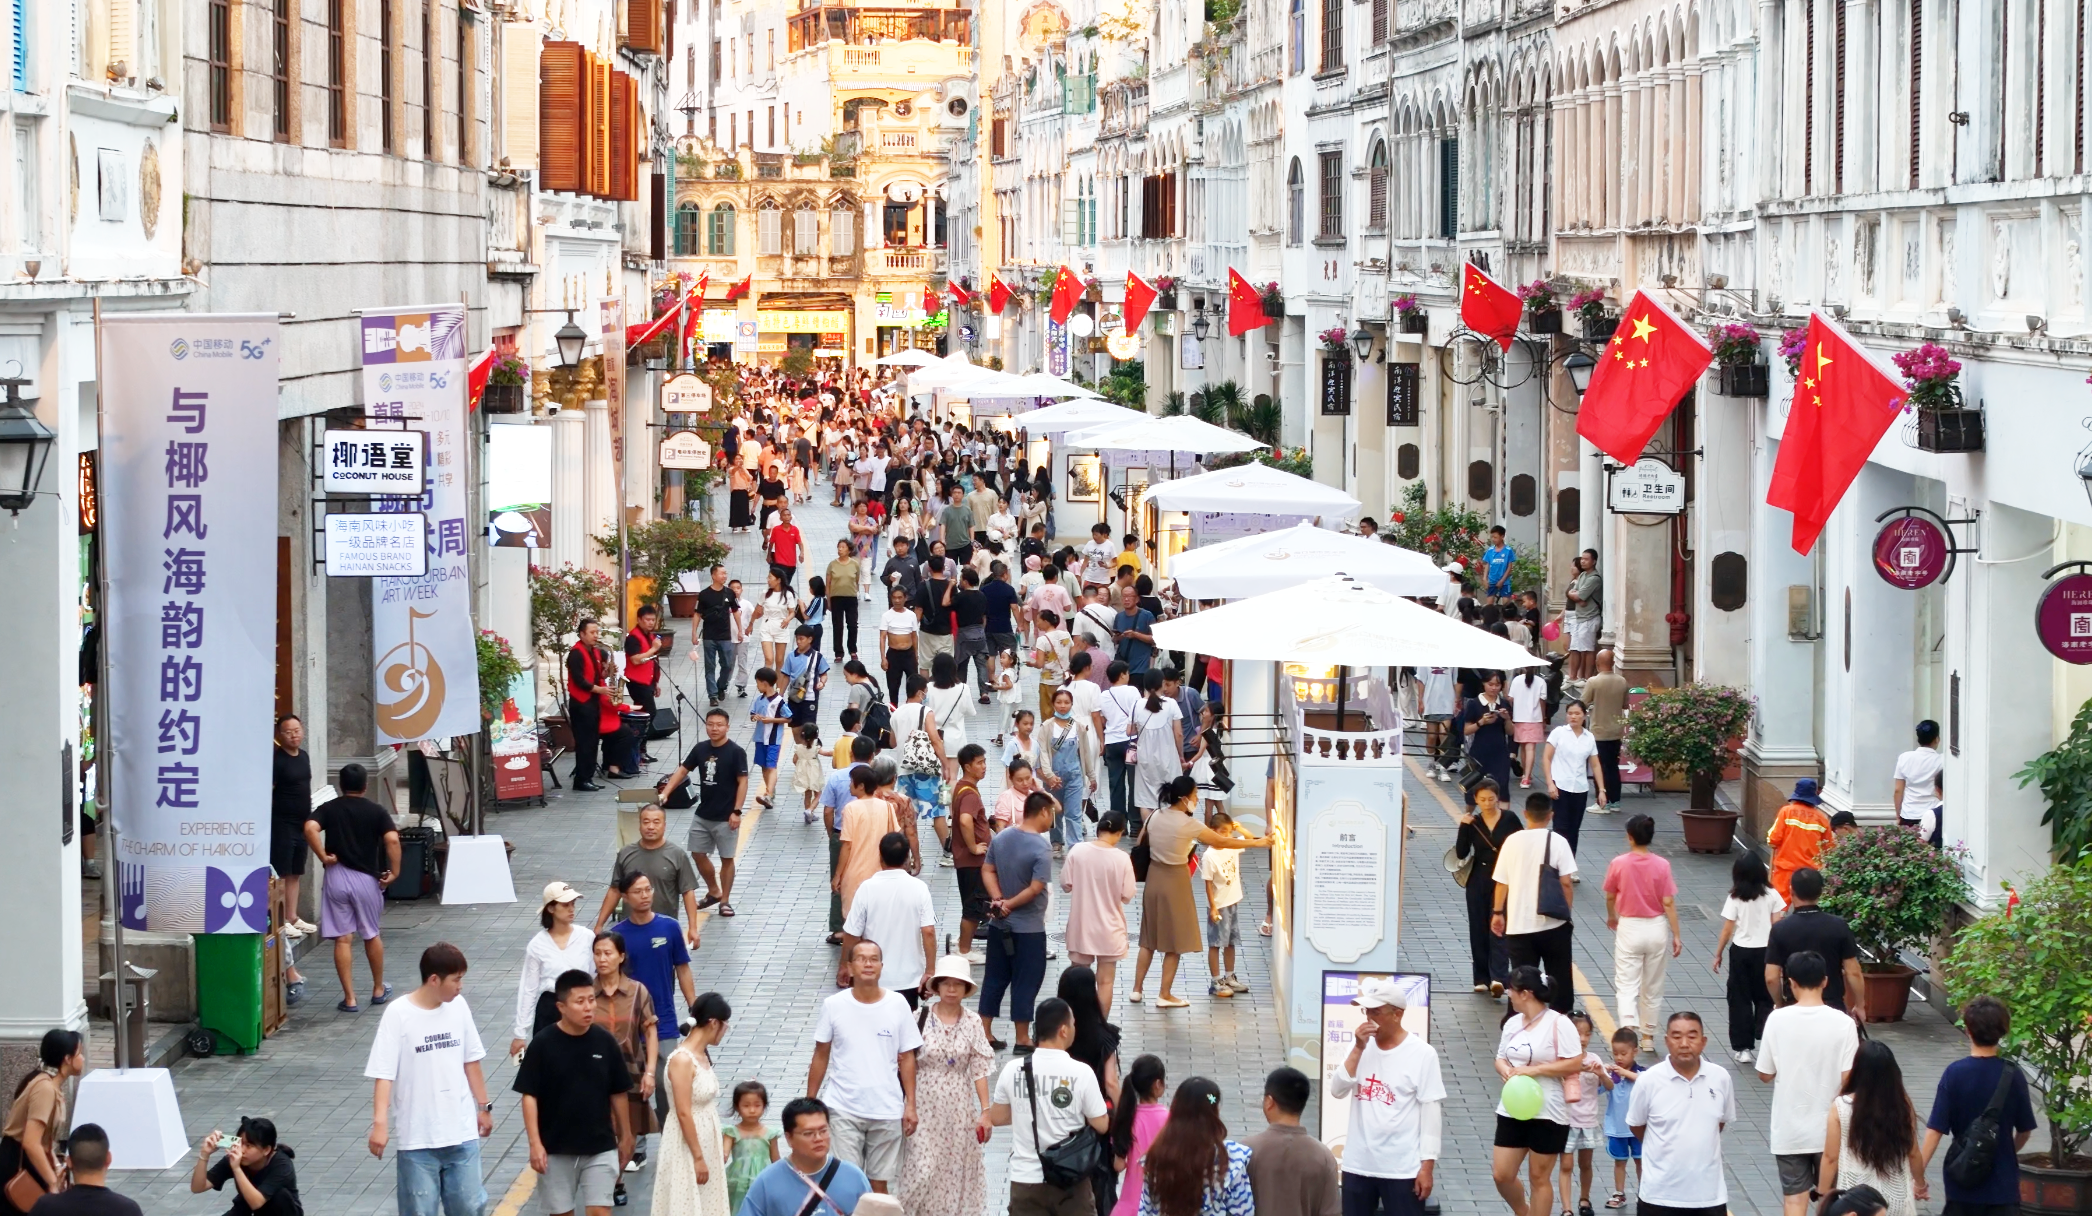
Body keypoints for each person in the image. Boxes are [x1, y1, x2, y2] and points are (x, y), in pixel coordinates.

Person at [365, 943, 493, 1216]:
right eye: (456, 979)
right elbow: (384, 1074)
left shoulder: (459, 1007)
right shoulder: (398, 1014)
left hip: (461, 1134)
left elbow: (471, 1060)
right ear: (434, 979)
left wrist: (484, 1107)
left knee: (470, 1208)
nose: (460, 986)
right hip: (417, 1140)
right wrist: (380, 1124)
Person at [1133, 776, 1269, 1008]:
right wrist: (1258, 843)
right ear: (1184, 798)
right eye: (1195, 795)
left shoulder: (1154, 815)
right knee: (1174, 942)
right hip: (1175, 880)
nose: (1196, 799)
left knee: (1148, 939)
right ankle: (1164, 994)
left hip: (1153, 878)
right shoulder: (1190, 824)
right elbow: (1221, 841)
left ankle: (1137, 989)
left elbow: (1140, 842)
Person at [516, 971, 635, 1216]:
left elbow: (618, 1092)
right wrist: (535, 1144)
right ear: (561, 1007)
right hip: (555, 1148)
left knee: (600, 1211)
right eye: (580, 1002)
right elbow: (529, 1095)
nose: (588, 1007)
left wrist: (625, 1135)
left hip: (600, 1146)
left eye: (591, 1000)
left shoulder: (605, 1042)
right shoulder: (543, 1044)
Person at [808, 942, 921, 1192]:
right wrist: (810, 1102)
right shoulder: (833, 1005)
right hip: (843, 1107)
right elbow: (821, 1054)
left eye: (873, 959)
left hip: (887, 1108)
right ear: (850, 967)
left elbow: (907, 1056)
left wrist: (910, 1104)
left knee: (879, 1184)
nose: (868, 964)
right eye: (861, 959)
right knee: (848, 1182)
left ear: (882, 966)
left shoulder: (898, 1004)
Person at [988, 997, 1113, 1216]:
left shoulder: (1012, 1069)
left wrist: (1027, 1110)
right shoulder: (1081, 1072)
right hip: (1071, 1180)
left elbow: (997, 1117)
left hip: (1025, 1180)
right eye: (1073, 1024)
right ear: (1063, 1030)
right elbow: (1101, 1125)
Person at [1329, 978, 1443, 1216]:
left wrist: (1427, 1166)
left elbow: (1431, 1113)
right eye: (1367, 1011)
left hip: (1402, 1168)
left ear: (1397, 1014)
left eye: (1376, 1012)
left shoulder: (1423, 1054)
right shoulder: (1359, 1047)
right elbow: (1337, 1090)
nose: (1369, 1018)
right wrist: (1358, 1048)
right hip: (1358, 1165)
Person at [1919, 996, 2039, 1216]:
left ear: (1968, 1030)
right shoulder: (2013, 1075)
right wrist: (2003, 1150)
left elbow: (1934, 1131)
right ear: (2003, 1031)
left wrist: (1918, 1178)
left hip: (1963, 1179)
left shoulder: (1955, 1073)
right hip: (2003, 1186)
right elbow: (2025, 1131)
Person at [896, 957, 997, 1216]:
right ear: (937, 987)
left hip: (959, 1106)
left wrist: (985, 1112)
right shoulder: (918, 1017)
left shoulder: (973, 1022)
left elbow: (979, 1069)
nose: (952, 989)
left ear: (966, 989)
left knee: (953, 1169)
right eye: (946, 983)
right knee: (921, 1168)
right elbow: (905, 1061)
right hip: (923, 1102)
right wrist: (909, 1104)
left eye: (958, 984)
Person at [305, 762, 401, 1013]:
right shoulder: (376, 811)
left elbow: (310, 827)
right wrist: (395, 871)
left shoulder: (330, 808)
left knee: (343, 938)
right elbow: (392, 839)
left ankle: (349, 998)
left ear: (340, 785)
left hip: (336, 877)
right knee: (371, 933)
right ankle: (378, 989)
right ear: (366, 786)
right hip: (366, 879)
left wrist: (323, 856)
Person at [1491, 967, 1581, 1216]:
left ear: (1526, 993)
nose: (1508, 993)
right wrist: (1505, 1070)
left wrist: (1535, 1071)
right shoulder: (1512, 1023)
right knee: (1502, 1174)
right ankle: (1524, 1211)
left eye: (1512, 989)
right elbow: (1500, 1058)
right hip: (1513, 1106)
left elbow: (1575, 1062)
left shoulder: (1559, 1023)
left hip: (1549, 1110)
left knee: (1538, 1177)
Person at [1626, 1013, 1737, 1216]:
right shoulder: (1648, 1081)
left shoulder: (1720, 1078)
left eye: (1692, 1036)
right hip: (1658, 1196)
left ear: (1703, 1041)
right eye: (1677, 1037)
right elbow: (1636, 1125)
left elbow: (1718, 1124)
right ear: (1667, 1041)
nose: (1684, 1044)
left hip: (1709, 1197)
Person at [610, 873, 700, 1122]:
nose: (645, 895)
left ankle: (669, 1135)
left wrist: (694, 1006)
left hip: (664, 1019)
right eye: (637, 891)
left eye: (648, 889)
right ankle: (634, 1140)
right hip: (628, 1022)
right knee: (630, 1085)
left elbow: (682, 968)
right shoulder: (617, 936)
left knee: (667, 1083)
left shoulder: (669, 927)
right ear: (625, 897)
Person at [980, 791, 1057, 1050]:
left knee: (994, 977)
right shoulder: (1041, 847)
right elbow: (1036, 888)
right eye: (1052, 814)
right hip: (1029, 929)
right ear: (1043, 812)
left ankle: (985, 1032)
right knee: (1026, 980)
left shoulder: (1002, 837)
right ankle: (1022, 1038)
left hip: (998, 925)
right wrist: (1009, 905)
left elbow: (987, 869)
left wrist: (998, 900)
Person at [656, 709, 749, 920]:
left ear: (727, 727)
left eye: (719, 724)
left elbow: (743, 782)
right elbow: (682, 771)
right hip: (703, 813)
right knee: (697, 853)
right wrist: (666, 792)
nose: (714, 728)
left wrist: (737, 811)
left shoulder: (736, 752)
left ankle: (725, 901)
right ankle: (714, 890)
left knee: (727, 858)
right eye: (710, 724)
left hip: (726, 816)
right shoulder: (700, 748)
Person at [1492, 793, 1579, 1015]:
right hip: (1553, 924)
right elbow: (1566, 883)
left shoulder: (1511, 841)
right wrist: (1566, 914)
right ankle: (1561, 1021)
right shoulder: (1558, 841)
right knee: (1560, 979)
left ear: (1525, 814)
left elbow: (1502, 883)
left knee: (1521, 980)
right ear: (1551, 815)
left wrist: (1498, 912)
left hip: (1519, 925)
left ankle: (1519, 1022)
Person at [591, 932, 659, 1206]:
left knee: (627, 1131)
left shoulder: (637, 991)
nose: (602, 959)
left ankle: (617, 1176)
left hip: (629, 1073)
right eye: (597, 953)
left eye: (608, 953)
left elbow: (650, 1032)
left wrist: (650, 1072)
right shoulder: (586, 993)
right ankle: (610, 1181)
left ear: (621, 957)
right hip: (593, 1075)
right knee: (604, 1129)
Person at [1819, 1042, 1926, 1216]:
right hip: (1897, 1197)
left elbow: (1830, 1158)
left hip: (1856, 1198)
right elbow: (1913, 1152)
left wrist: (1823, 1195)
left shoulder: (1841, 1107)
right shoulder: (1902, 1106)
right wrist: (1920, 1184)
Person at [652, 992, 733, 1216]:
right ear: (714, 1023)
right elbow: (683, 1112)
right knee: (685, 1201)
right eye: (725, 1025)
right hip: (686, 1142)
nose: (725, 1030)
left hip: (706, 1136)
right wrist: (698, 1157)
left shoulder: (702, 1055)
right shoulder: (682, 1060)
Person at [1604, 815, 1682, 1047]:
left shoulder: (1619, 863)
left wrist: (1612, 916)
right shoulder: (1662, 865)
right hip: (1657, 926)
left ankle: (1628, 1028)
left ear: (1630, 837)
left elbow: (1610, 895)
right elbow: (1668, 902)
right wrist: (1676, 934)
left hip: (1629, 926)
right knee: (1653, 984)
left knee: (1626, 984)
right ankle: (1648, 1036)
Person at [839, 832, 936, 1006]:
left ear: (880, 857)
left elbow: (852, 933)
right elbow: (928, 931)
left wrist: (845, 965)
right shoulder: (919, 888)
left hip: (872, 976)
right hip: (909, 978)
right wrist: (930, 970)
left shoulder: (867, 888)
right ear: (906, 858)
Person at [1134, 1077, 1254, 1216]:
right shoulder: (1231, 1158)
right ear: (1215, 1110)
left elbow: (1146, 1210)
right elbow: (1244, 1211)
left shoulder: (1157, 1157)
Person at [733, 1098, 873, 1216]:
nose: (818, 1138)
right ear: (789, 1138)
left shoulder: (853, 1176)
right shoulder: (767, 1181)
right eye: (808, 1133)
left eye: (823, 1131)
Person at [1763, 868, 1865, 1020]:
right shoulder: (1838, 926)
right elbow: (1853, 972)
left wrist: (1779, 1003)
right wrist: (1860, 1005)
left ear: (1791, 890)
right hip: (1832, 1005)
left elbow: (1771, 977)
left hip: (1794, 1006)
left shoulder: (1780, 929)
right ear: (1820, 892)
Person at [1711, 852, 1783, 1063]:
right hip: (1767, 952)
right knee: (1766, 998)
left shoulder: (1735, 897)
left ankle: (1743, 1048)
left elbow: (1727, 929)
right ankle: (1765, 1037)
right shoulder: (1772, 894)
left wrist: (1718, 953)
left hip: (1741, 952)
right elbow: (1778, 926)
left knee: (1739, 999)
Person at [1, 1030, 84, 1216]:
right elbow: (31, 1142)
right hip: (18, 1165)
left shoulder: (47, 1084)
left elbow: (43, 1141)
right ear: (67, 1059)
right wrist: (52, 1182)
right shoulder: (45, 1088)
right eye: (79, 1053)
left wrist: (55, 1167)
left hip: (26, 1161)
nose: (83, 1058)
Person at [511, 882, 598, 1056]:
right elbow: (529, 989)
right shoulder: (537, 945)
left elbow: (595, 977)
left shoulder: (587, 937)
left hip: (580, 1006)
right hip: (549, 1009)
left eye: (573, 904)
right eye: (565, 905)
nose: (571, 909)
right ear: (551, 908)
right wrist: (520, 1033)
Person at [596, 806, 704, 947]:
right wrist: (599, 925)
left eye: (656, 822)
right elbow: (615, 890)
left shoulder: (677, 855)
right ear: (639, 825)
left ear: (664, 825)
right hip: (630, 930)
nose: (651, 827)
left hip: (663, 931)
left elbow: (688, 892)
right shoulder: (625, 853)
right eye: (646, 822)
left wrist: (693, 928)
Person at [1063, 811, 1136, 1018]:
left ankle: (1076, 1023)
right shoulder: (1122, 858)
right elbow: (1127, 895)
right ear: (1120, 833)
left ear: (1099, 829)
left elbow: (1066, 884)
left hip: (1081, 927)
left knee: (1077, 979)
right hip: (1110, 929)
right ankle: (1100, 1026)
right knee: (1105, 982)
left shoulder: (1077, 851)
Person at [1457, 779, 1519, 995]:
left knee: (1499, 926)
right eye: (1482, 799)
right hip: (1479, 878)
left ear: (1498, 798)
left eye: (1491, 799)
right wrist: (1463, 827)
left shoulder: (1510, 819)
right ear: (1475, 799)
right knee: (1478, 928)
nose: (1487, 804)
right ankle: (1481, 977)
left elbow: (1519, 846)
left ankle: (1498, 978)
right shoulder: (1473, 822)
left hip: (1504, 878)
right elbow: (1461, 853)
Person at [270, 715, 318, 948]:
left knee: (296, 872)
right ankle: (279, 920)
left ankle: (292, 916)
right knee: (281, 871)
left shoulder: (304, 756)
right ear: (280, 735)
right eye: (288, 732)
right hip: (282, 823)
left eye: (297, 730)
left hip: (302, 823)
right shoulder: (277, 761)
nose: (293, 735)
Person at [1559, 1012, 1614, 1216]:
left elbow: (1609, 1086)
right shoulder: (1560, 1060)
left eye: (1587, 1034)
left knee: (1586, 1164)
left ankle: (1584, 1199)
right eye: (1578, 1033)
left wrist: (1600, 1073)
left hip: (1588, 1121)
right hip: (1566, 1121)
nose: (1583, 1038)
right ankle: (1566, 1208)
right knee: (1566, 1165)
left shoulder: (1594, 1059)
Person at [836, 765, 908, 919]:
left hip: (855, 874)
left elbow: (847, 845)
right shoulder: (887, 807)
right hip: (882, 873)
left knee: (855, 920)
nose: (849, 785)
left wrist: (837, 875)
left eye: (851, 781)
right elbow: (895, 836)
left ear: (861, 786)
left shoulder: (850, 809)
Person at [189, 1118, 301, 1216]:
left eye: (248, 1145)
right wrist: (204, 1154)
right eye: (240, 1143)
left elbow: (257, 1203)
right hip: (246, 1209)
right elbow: (198, 1187)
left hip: (280, 1211)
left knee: (279, 1195)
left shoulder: (282, 1165)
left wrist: (236, 1169)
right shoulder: (234, 1158)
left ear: (266, 1150)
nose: (242, 1150)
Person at [25, 1124, 141, 1216]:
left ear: (69, 1162)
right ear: (108, 1159)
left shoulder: (45, 1207)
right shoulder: (128, 1210)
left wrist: (53, 1190)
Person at [1109, 1056, 1170, 1216]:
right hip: (1160, 1203)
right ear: (1158, 1084)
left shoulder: (1126, 1119)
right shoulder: (1169, 1119)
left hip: (1130, 1204)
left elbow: (1119, 1165)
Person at [1544, 702, 1607, 850]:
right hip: (1560, 786)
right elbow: (1546, 758)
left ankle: (1570, 861)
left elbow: (1595, 765)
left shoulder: (1589, 737)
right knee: (1560, 827)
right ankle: (1557, 861)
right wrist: (1550, 783)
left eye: (1577, 713)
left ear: (1584, 716)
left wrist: (1602, 790)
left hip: (1580, 788)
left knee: (1574, 829)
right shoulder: (1558, 733)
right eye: (1570, 713)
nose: (1573, 717)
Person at [1202, 809, 1251, 999]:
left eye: (1229, 832)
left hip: (1233, 901)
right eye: (1223, 832)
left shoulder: (1231, 845)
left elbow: (1249, 839)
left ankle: (1229, 976)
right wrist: (1213, 907)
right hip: (1219, 904)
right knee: (1216, 943)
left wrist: (1240, 828)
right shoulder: (1209, 856)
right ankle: (1216, 981)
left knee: (1231, 942)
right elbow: (1207, 883)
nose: (1227, 836)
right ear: (1213, 831)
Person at [567, 619, 619, 790]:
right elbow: (579, 680)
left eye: (597, 632)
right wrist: (600, 690)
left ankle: (587, 777)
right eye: (592, 632)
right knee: (584, 743)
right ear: (582, 634)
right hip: (581, 704)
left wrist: (608, 671)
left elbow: (597, 676)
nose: (596, 636)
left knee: (592, 741)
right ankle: (581, 780)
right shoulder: (576, 654)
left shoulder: (595, 652)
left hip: (592, 703)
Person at [1130, 674, 1186, 825]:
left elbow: (1130, 731)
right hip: (1168, 757)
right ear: (1162, 684)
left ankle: (1150, 833)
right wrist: (1181, 755)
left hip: (1145, 758)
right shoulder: (1171, 704)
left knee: (1146, 799)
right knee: (1171, 796)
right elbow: (1179, 734)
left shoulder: (1137, 704)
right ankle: (1169, 831)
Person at [1767, 779, 1833, 907]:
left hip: (1786, 868)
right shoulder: (1822, 819)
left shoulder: (1786, 812)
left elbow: (1773, 839)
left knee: (1778, 907)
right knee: (1807, 906)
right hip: (1810, 872)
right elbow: (1829, 848)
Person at [1601, 1028, 1643, 1210]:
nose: (1619, 1057)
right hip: (1617, 1128)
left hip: (1639, 1128)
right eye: (1615, 1053)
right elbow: (1598, 1089)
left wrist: (1625, 1073)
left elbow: (1646, 1082)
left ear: (1635, 1051)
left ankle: (1644, 1193)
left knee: (1641, 1161)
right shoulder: (1612, 1075)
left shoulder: (1642, 1073)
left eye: (1623, 1053)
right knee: (1619, 1162)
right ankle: (1619, 1193)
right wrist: (1601, 1073)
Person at [720, 1082, 778, 1216]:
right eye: (746, 1106)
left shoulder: (770, 1133)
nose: (752, 1110)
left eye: (757, 1105)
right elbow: (723, 1155)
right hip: (737, 1179)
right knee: (738, 1207)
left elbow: (776, 1160)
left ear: (764, 1106)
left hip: (763, 1178)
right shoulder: (731, 1132)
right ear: (737, 1107)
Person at [1582, 652, 1628, 807]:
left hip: (1599, 732)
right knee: (1613, 767)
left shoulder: (1593, 682)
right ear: (1613, 663)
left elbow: (1582, 703)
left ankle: (1602, 802)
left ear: (1596, 663)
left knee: (1600, 768)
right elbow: (1625, 704)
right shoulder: (1622, 681)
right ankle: (1615, 801)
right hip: (1616, 731)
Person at [1892, 722, 1944, 845]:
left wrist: (1898, 815)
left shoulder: (1904, 758)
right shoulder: (1942, 760)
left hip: (1908, 814)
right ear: (1937, 739)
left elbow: (1898, 790)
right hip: (1932, 813)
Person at [695, 567, 739, 706]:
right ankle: (712, 695)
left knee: (727, 664)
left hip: (725, 635)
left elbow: (735, 611)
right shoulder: (704, 594)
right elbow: (697, 614)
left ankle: (721, 686)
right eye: (722, 573)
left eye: (726, 573)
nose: (724, 576)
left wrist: (740, 630)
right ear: (713, 575)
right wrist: (694, 633)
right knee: (710, 666)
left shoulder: (729, 593)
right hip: (709, 636)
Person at [626, 604, 667, 744]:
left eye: (653, 620)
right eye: (647, 620)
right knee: (649, 713)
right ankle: (637, 744)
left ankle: (640, 747)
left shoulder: (651, 636)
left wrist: (655, 682)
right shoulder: (633, 638)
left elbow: (653, 661)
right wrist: (653, 649)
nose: (650, 623)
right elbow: (636, 660)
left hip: (647, 681)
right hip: (636, 681)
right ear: (639, 620)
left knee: (643, 714)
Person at [1565, 551, 1602, 686]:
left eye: (1586, 559)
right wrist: (1575, 595)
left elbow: (1580, 596)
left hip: (1589, 617)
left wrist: (1577, 596)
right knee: (1576, 648)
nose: (1583, 561)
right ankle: (1575, 677)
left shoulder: (1594, 578)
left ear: (1594, 561)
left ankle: (1587, 679)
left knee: (1587, 649)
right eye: (1582, 559)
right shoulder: (1582, 575)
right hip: (1579, 617)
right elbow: (1573, 593)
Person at [1508, 669, 1547, 790]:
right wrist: (1544, 718)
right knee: (1531, 748)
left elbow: (1510, 698)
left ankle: (1525, 774)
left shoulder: (1516, 680)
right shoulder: (1541, 681)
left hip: (1519, 718)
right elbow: (1542, 701)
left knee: (1523, 747)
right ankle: (1526, 777)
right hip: (1535, 718)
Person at [1110, 585, 1160, 678]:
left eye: (1129, 596)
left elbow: (1155, 639)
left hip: (1140, 667)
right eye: (1124, 596)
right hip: (1123, 667)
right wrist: (1117, 637)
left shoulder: (1147, 616)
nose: (1126, 599)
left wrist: (1135, 635)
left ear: (1137, 599)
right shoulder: (1119, 616)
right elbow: (1115, 640)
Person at [828, 540, 862, 659]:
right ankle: (838, 652)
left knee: (852, 624)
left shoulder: (855, 564)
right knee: (837, 625)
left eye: (843, 547)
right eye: (839, 547)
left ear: (849, 550)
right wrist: (828, 600)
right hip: (836, 598)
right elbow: (828, 584)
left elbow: (856, 580)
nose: (840, 549)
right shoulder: (832, 565)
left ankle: (852, 649)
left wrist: (855, 592)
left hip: (851, 598)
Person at [1484, 526, 1517, 600]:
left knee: (1506, 602)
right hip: (1491, 581)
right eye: (1492, 537)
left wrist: (1502, 581)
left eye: (1495, 537)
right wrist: (1485, 578)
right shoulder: (1490, 550)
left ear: (1502, 536)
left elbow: (1509, 567)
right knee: (1489, 602)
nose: (1493, 539)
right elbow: (1487, 564)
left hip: (1505, 582)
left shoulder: (1508, 550)